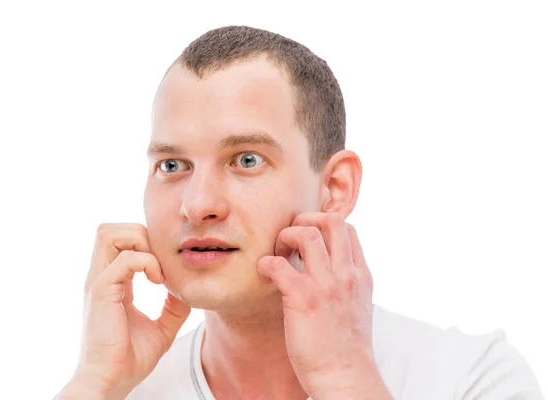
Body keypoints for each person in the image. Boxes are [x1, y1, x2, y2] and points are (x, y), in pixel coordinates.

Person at [54, 25, 544, 399]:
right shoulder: (118, 391)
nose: (197, 204)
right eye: (172, 164)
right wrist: (95, 379)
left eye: (247, 160)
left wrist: (342, 376)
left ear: (334, 188)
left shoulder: (471, 377)